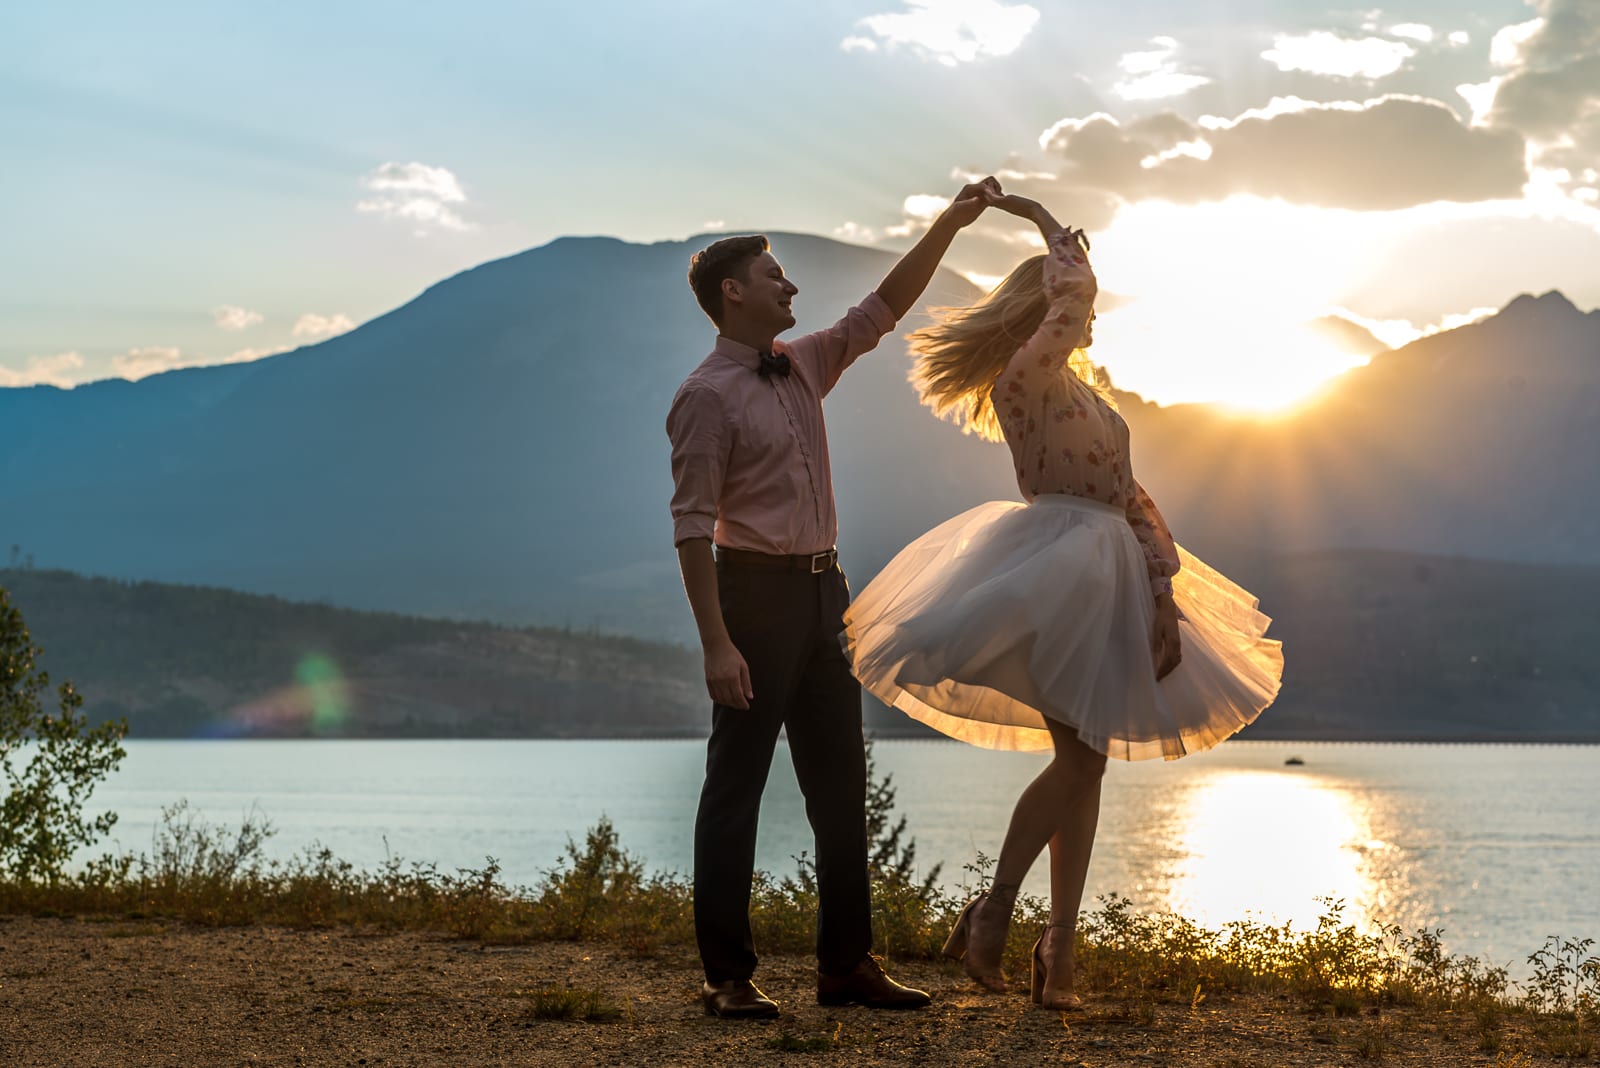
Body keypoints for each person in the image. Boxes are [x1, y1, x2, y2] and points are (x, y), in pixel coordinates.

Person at [841, 191, 1284, 1009]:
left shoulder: (1087, 394)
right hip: (1057, 570)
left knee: (1089, 765)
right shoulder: (1025, 380)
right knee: (1081, 759)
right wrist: (1044, 223)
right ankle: (997, 912)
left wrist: (1162, 593)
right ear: (1043, 306)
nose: (1086, 324)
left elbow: (1133, 496)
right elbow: (1075, 299)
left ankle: (1058, 949)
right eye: (1068, 311)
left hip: (1112, 572)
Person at [665, 179, 999, 1018]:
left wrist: (949, 225)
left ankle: (845, 968)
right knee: (735, 787)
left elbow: (881, 308)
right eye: (775, 276)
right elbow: (691, 527)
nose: (792, 287)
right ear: (733, 292)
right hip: (754, 600)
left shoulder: (805, 361)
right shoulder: (705, 397)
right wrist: (716, 644)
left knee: (840, 786)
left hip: (825, 597)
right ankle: (728, 979)